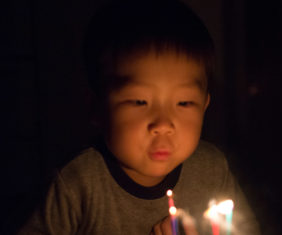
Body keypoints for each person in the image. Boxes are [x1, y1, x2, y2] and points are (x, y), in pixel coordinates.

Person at [18, 0, 260, 234]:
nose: (163, 124)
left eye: (184, 102)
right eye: (139, 102)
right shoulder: (77, 185)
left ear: (205, 105)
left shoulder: (212, 171)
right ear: (96, 107)